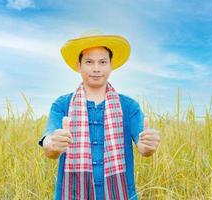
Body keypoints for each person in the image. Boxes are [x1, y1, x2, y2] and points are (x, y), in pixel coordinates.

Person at [38, 31, 161, 200]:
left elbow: (143, 147)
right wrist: (53, 144)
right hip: (72, 195)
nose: (96, 68)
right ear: (78, 66)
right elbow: (49, 145)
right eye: (89, 62)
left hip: (122, 193)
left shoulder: (129, 106)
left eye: (103, 62)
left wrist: (148, 146)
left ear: (111, 65)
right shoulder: (62, 104)